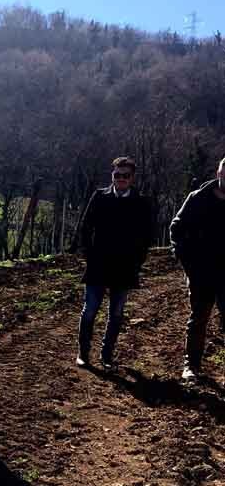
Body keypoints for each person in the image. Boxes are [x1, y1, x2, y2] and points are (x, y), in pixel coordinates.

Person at [75, 156, 153, 370]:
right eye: (117, 175)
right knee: (89, 310)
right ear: (112, 175)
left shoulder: (141, 202)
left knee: (116, 313)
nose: (121, 179)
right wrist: (88, 255)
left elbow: (147, 236)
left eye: (125, 176)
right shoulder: (100, 197)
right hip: (98, 264)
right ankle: (83, 353)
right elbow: (85, 227)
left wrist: (137, 262)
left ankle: (107, 355)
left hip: (125, 267)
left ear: (132, 178)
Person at [170, 157, 225, 381]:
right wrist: (185, 260)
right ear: (218, 173)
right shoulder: (198, 198)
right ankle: (191, 366)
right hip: (201, 272)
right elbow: (177, 227)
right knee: (199, 319)